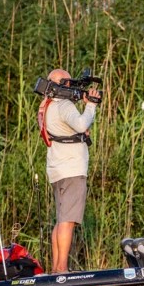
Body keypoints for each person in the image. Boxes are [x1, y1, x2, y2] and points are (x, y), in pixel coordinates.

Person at [38, 68, 101, 273]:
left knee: (61, 220)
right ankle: (62, 269)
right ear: (60, 84)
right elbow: (81, 125)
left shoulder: (47, 106)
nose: (71, 86)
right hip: (72, 169)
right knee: (68, 221)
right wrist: (91, 105)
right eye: (68, 83)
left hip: (57, 169)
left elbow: (67, 129)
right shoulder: (64, 105)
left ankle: (56, 269)